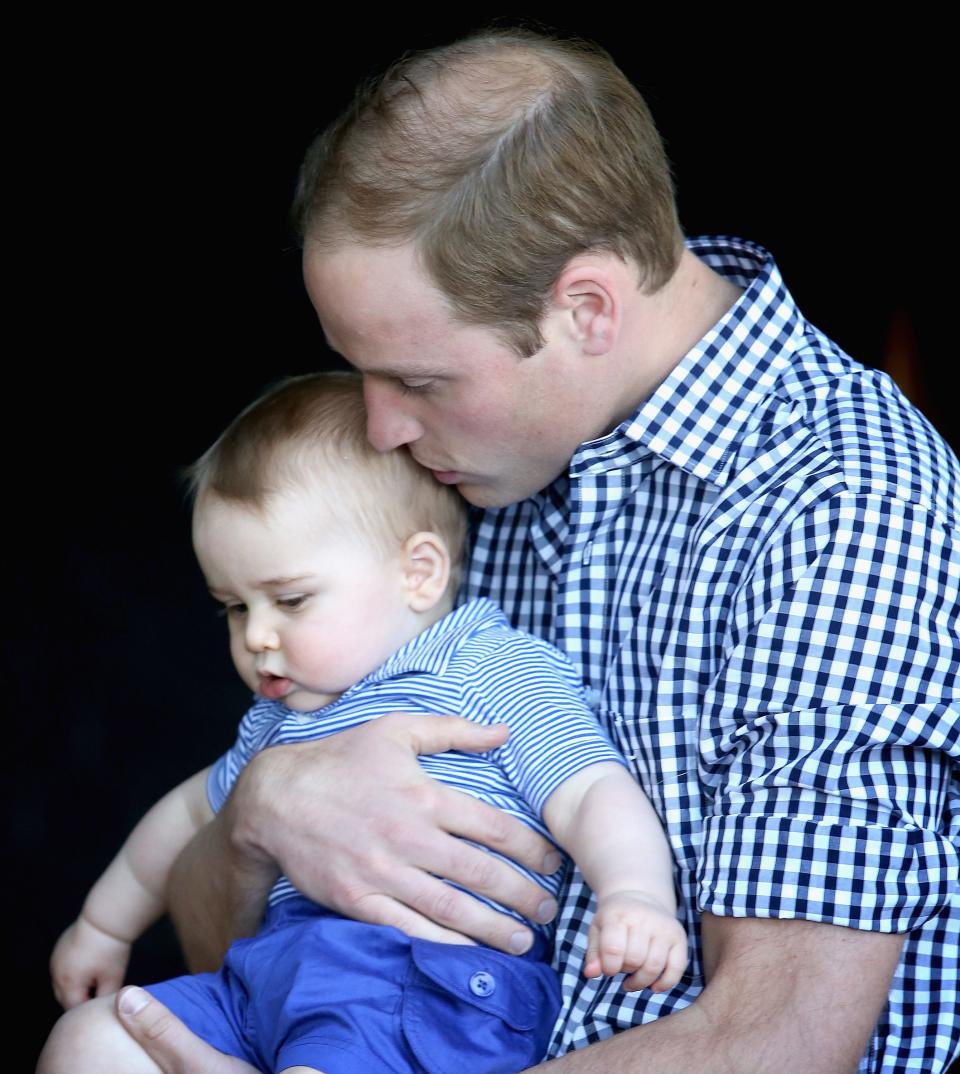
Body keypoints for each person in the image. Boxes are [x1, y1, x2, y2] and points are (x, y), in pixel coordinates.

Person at [111, 27, 959, 1074]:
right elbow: (235, 958)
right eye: (361, 376)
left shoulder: (841, 497)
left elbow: (781, 1041)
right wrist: (262, 814)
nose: (379, 433)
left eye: (418, 381)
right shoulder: (472, 465)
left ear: (587, 309)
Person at [40, 372, 687, 1074]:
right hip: (272, 979)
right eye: (234, 607)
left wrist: (636, 895)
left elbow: (589, 788)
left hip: (423, 983)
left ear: (418, 573)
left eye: (290, 600)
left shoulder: (483, 669)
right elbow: (186, 816)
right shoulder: (278, 724)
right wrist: (103, 926)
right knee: (90, 1042)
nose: (257, 636)